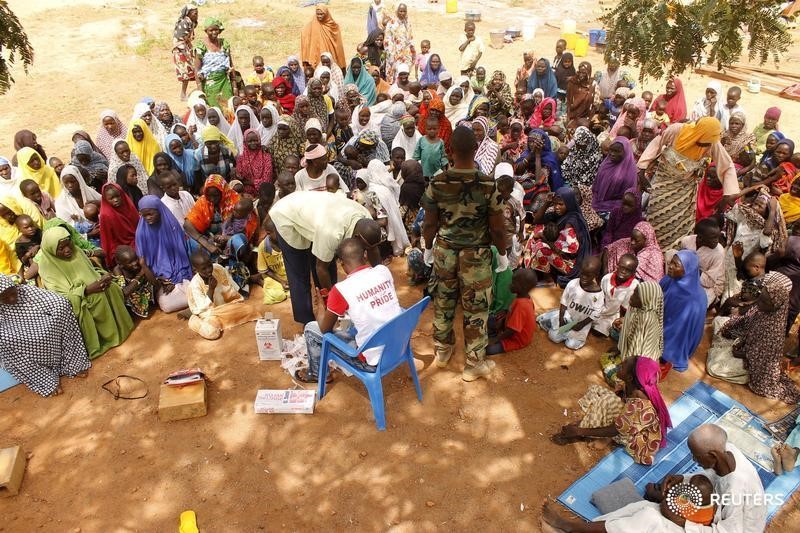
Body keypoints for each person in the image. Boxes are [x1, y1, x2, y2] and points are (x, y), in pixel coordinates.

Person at [421, 126, 507, 381]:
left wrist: (427, 247)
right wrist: (502, 253)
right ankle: (473, 363)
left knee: (443, 301)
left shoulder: (438, 182)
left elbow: (429, 224)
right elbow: (498, 227)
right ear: (474, 150)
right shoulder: (487, 184)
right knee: (476, 308)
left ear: (450, 150)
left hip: (445, 251)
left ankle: (443, 350)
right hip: (476, 257)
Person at [296, 237, 403, 383]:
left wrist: (321, 306)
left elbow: (324, 329)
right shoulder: (383, 270)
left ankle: (317, 373)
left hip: (371, 361)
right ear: (365, 255)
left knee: (310, 329)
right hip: (399, 347)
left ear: (341, 263)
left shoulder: (341, 289)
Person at [270, 190, 380, 324]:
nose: (366, 252)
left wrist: (379, 277)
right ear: (356, 237)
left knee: (326, 258)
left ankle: (330, 308)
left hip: (313, 213)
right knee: (300, 274)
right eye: (365, 248)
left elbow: (373, 248)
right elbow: (321, 268)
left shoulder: (366, 218)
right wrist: (336, 300)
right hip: (286, 214)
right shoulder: (332, 233)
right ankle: (307, 322)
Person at [552, 356, 671, 466]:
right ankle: (592, 428)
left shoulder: (639, 404)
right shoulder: (631, 386)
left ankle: (584, 434)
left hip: (635, 439)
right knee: (595, 390)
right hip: (628, 422)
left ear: (630, 377)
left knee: (606, 401)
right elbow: (622, 400)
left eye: (623, 366)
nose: (619, 364)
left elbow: (615, 430)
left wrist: (579, 431)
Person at [638, 117, 738, 248]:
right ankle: (651, 249)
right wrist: (642, 170)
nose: (707, 146)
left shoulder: (712, 141)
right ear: (699, 132)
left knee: (679, 225)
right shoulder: (676, 130)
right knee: (656, 218)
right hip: (663, 185)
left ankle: (672, 254)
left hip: (685, 191)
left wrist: (729, 192)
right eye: (705, 142)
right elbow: (657, 143)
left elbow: (727, 164)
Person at [37, 226, 134, 359]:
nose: (67, 250)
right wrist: (87, 290)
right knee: (96, 297)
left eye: (68, 244)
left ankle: (120, 329)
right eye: (61, 248)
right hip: (78, 300)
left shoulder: (77, 251)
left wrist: (103, 277)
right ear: (51, 249)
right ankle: (103, 341)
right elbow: (60, 298)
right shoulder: (47, 266)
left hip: (95, 286)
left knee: (111, 288)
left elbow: (92, 271)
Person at [654, 424, 767, 532]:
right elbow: (714, 476)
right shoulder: (726, 450)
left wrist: (681, 521)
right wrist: (682, 478)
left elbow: (731, 530)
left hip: (738, 528)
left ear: (713, 456)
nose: (693, 459)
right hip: (723, 510)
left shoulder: (735, 490)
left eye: (696, 456)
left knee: (655, 519)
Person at [0, 274, 92, 397]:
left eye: (12, 293)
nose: (11, 299)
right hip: (16, 336)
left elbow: (55, 301)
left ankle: (73, 362)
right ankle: (46, 380)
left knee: (62, 306)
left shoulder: (25, 291)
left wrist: (56, 312)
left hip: (42, 323)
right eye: (5, 297)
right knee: (4, 344)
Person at [720, 271, 800, 403]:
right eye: (760, 298)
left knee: (716, 368)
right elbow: (749, 330)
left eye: (764, 301)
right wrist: (743, 343)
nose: (759, 303)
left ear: (775, 305)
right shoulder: (763, 311)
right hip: (747, 352)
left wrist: (741, 353)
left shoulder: (772, 330)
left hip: (757, 369)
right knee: (719, 324)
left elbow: (761, 359)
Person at [135, 195, 193, 313]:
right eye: (144, 215)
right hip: (160, 278)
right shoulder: (141, 233)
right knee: (167, 305)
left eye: (151, 214)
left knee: (193, 289)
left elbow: (182, 255)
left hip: (181, 273)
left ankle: (189, 294)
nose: (148, 218)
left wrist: (180, 277)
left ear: (160, 210)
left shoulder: (172, 226)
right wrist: (163, 281)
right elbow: (146, 265)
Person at [185, 249, 260, 340]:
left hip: (226, 307)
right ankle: (194, 321)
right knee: (212, 332)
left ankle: (223, 320)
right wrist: (211, 290)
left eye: (209, 265)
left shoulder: (218, 268)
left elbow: (231, 287)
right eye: (204, 269)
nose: (209, 270)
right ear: (195, 269)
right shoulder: (195, 284)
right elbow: (203, 308)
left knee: (250, 310)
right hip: (210, 313)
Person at [523, 187, 591, 286]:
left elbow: (567, 251)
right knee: (538, 229)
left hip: (571, 265)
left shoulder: (571, 222)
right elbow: (536, 220)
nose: (556, 207)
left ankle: (548, 280)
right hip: (562, 254)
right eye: (554, 204)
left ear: (569, 203)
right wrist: (546, 203)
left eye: (560, 204)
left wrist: (544, 237)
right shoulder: (561, 215)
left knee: (541, 247)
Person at [538, 255, 605, 350]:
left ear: (596, 275)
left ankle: (554, 318)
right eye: (582, 273)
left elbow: (596, 313)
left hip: (581, 324)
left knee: (571, 345)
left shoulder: (598, 294)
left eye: (588, 275)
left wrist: (581, 324)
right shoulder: (573, 284)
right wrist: (561, 319)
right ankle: (555, 316)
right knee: (553, 337)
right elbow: (564, 301)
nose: (583, 277)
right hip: (567, 319)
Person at [660, 250, 706, 373]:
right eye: (671, 263)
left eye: (676, 265)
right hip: (662, 324)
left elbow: (681, 330)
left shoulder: (695, 298)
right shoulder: (668, 280)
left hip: (677, 337)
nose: (670, 267)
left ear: (688, 270)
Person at [670, 218, 725, 308]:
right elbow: (680, 260)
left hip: (707, 284)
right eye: (713, 238)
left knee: (694, 305)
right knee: (670, 254)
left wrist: (690, 268)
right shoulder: (687, 241)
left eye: (718, 237)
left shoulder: (719, 252)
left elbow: (709, 282)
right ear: (700, 237)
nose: (717, 240)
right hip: (686, 275)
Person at [486, 268, 537, 355]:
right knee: (489, 319)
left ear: (522, 287)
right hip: (509, 327)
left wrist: (498, 339)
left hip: (516, 340)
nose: (510, 284)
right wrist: (505, 313)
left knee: (488, 350)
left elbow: (512, 330)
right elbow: (513, 312)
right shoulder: (522, 297)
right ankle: (493, 333)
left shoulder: (522, 305)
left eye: (514, 283)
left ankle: (494, 334)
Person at [594, 254, 639, 337]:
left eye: (628, 270)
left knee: (599, 332)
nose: (623, 271)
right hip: (600, 310)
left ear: (633, 273)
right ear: (617, 266)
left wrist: (622, 321)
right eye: (622, 267)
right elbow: (599, 297)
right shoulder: (607, 278)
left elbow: (626, 309)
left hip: (614, 315)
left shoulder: (633, 286)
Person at [194, 17, 234, 108]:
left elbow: (231, 65)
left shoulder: (224, 44)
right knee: (213, 110)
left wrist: (234, 86)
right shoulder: (201, 46)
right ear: (206, 31)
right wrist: (200, 90)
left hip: (224, 82)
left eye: (216, 30)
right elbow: (197, 69)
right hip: (209, 84)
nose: (214, 32)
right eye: (211, 30)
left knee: (228, 109)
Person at [593, 138, 637, 215]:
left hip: (615, 206)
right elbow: (596, 186)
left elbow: (626, 198)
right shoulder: (606, 164)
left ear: (625, 152)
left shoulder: (629, 171)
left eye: (617, 151)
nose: (612, 154)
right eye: (611, 150)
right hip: (596, 201)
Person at [172, 4, 199, 101]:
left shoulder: (190, 22)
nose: (196, 15)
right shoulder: (184, 23)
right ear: (188, 13)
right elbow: (179, 40)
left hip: (185, 49)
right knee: (186, 73)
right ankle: (183, 95)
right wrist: (187, 54)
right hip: (180, 50)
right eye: (194, 13)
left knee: (192, 71)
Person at [383, 4, 414, 82]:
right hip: (394, 56)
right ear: (397, 11)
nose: (402, 13)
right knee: (394, 78)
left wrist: (411, 54)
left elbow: (410, 38)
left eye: (404, 11)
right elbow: (387, 40)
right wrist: (392, 57)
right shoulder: (391, 24)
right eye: (400, 11)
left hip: (406, 56)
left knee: (404, 76)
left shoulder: (408, 23)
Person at [566, 61, 594, 125]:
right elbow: (568, 101)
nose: (581, 75)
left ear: (589, 73)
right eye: (580, 72)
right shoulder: (572, 82)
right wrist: (568, 116)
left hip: (586, 117)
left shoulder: (593, 85)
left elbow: (594, 105)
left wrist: (589, 120)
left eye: (584, 73)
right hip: (572, 115)